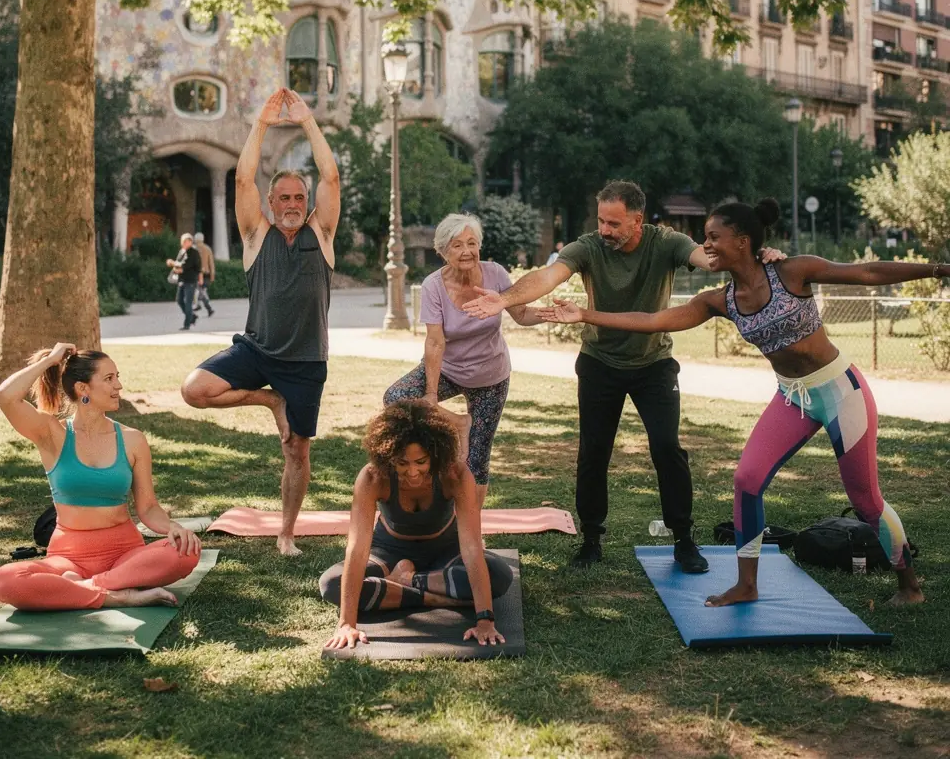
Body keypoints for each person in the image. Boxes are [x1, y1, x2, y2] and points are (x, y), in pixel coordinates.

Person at [538, 197, 942, 608]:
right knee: (747, 482)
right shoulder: (722, 300)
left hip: (840, 390)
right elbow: (653, 320)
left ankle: (909, 586)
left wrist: (939, 269)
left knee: (865, 499)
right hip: (791, 397)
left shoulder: (792, 271)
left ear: (743, 241)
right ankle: (747, 584)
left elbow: (868, 271)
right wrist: (586, 316)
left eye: (714, 236)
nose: (706, 244)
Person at [464, 179, 785, 573]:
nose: (605, 230)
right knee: (593, 453)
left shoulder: (665, 242)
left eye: (614, 224)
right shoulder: (588, 247)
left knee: (667, 448)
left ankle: (684, 539)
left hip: (653, 366)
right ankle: (591, 539)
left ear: (637, 221)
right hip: (599, 363)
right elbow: (548, 276)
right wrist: (506, 298)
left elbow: (709, 258)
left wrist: (756, 252)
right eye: (601, 221)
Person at [181, 88, 340, 556]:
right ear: (271, 201)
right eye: (283, 196)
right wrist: (262, 124)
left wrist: (307, 121)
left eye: (299, 196)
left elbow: (330, 174)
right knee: (195, 389)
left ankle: (286, 533)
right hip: (256, 350)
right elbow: (243, 179)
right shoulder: (255, 234)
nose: (291, 202)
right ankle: (270, 400)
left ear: (306, 201)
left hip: (307, 361)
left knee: (297, 451)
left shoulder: (321, 233)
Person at [0, 343, 201, 611]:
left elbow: (148, 507)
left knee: (187, 551)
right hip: (67, 558)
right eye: (109, 379)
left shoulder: (133, 440)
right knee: (5, 580)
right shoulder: (51, 434)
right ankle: (118, 596)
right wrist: (51, 360)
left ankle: (82, 588)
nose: (119, 386)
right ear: (83, 389)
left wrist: (172, 527)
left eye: (118, 377)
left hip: (125, 554)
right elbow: (5, 396)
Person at [321, 399, 513, 650]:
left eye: (421, 462)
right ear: (388, 456)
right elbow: (357, 550)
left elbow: (472, 548)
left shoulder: (455, 474)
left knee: (498, 575)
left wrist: (485, 619)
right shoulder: (372, 477)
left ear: (435, 455)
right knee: (331, 584)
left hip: (445, 550)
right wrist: (346, 622)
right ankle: (436, 596)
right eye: (402, 463)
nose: (412, 472)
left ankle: (408, 581)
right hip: (389, 551)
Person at [382, 214, 546, 507]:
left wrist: (548, 314)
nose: (467, 251)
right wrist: (431, 395)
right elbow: (435, 342)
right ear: (443, 251)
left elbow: (520, 315)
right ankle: (459, 423)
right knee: (396, 397)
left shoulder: (495, 274)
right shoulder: (434, 286)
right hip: (448, 370)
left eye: (472, 243)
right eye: (457, 245)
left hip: (490, 377)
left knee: (477, 458)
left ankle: (468, 528)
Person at [166, 232, 201, 330]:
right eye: (183, 241)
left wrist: (173, 263)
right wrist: (176, 266)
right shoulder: (182, 251)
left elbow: (185, 266)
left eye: (186, 241)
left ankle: (187, 324)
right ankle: (192, 316)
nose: (184, 243)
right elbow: (179, 265)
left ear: (190, 241)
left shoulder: (193, 252)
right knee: (179, 300)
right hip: (182, 280)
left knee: (188, 302)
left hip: (190, 281)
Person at [194, 231, 215, 317]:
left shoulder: (193, 249)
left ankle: (202, 306)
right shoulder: (208, 249)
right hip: (206, 274)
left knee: (199, 292)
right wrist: (212, 275)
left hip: (197, 274)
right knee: (201, 291)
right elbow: (211, 264)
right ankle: (207, 308)